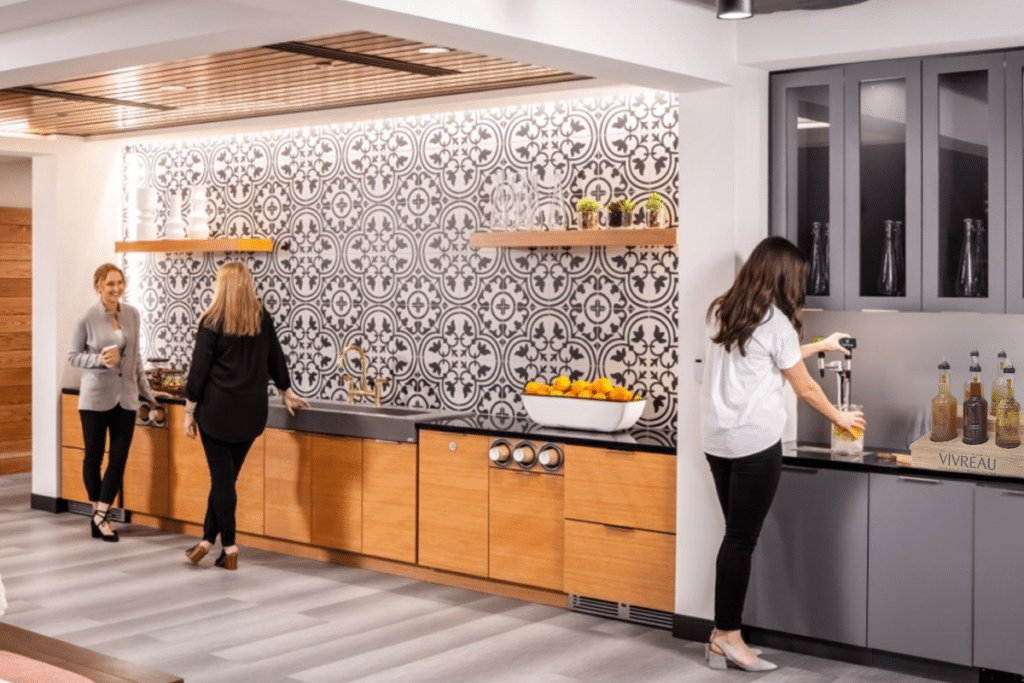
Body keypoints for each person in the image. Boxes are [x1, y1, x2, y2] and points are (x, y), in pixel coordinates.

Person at [700, 236, 865, 671]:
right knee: (740, 540)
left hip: (718, 444)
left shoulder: (725, 309)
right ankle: (729, 638)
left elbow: (774, 359)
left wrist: (823, 344)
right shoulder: (775, 322)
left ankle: (722, 635)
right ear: (785, 276)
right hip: (755, 446)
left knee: (734, 536)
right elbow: (804, 383)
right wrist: (839, 418)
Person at [182, 261, 308, 570]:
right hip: (251, 413)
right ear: (247, 285)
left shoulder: (211, 320)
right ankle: (207, 540)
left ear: (220, 285)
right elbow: (276, 358)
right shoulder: (261, 319)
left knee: (222, 480)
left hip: (217, 412)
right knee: (226, 479)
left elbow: (198, 371)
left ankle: (230, 546)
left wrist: (189, 411)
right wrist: (285, 390)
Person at [69, 263, 158, 542]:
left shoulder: (132, 314)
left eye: (120, 282)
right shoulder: (85, 318)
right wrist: (99, 360)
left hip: (127, 399)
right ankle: (101, 515)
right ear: (98, 287)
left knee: (119, 459)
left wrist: (149, 392)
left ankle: (100, 515)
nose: (116, 288)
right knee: (93, 457)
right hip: (95, 398)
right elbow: (73, 356)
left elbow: (136, 358)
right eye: (110, 284)